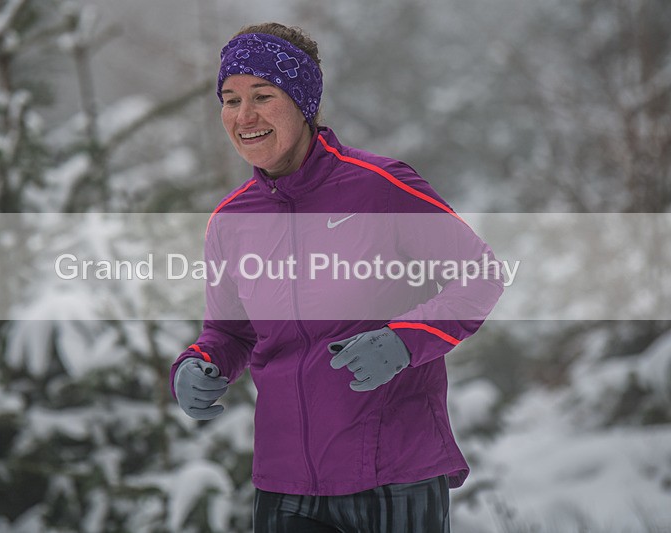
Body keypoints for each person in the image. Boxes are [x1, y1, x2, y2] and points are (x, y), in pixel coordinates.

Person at [169, 22, 504, 532]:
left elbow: (480, 275)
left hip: (393, 469)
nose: (245, 116)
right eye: (231, 99)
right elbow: (230, 331)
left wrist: (404, 342)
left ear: (303, 102)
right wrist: (199, 364)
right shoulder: (231, 221)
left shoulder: (380, 188)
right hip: (285, 485)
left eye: (263, 95)